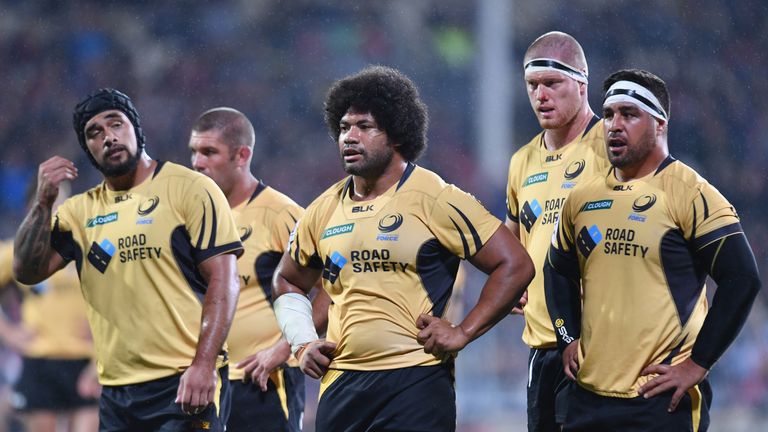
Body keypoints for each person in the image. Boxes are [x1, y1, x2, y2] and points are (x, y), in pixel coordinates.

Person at [272, 65, 535, 432]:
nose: (350, 137)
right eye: (345, 127)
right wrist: (301, 342)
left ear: (396, 134)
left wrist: (463, 332)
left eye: (364, 127)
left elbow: (515, 264)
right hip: (341, 385)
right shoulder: (323, 209)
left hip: (416, 382)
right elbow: (287, 280)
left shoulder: (436, 197)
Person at [12, 88, 244, 431]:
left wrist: (204, 365)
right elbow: (27, 271)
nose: (108, 137)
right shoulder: (79, 213)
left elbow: (224, 281)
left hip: (182, 380)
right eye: (94, 133)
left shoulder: (190, 188)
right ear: (87, 148)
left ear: (136, 128)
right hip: (118, 393)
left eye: (116, 124)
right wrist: (43, 205)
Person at [544, 69, 761, 431]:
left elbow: (742, 279)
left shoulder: (691, 193)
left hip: (659, 404)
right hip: (587, 400)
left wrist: (698, 364)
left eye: (629, 114)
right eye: (609, 113)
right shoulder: (582, 197)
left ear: (659, 124)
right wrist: (567, 335)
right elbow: (556, 269)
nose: (613, 124)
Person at [188, 107, 330, 432]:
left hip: (264, 380)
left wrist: (285, 347)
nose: (197, 163)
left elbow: (332, 288)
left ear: (242, 155)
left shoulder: (283, 215)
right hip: (205, 381)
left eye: (209, 152)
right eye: (194, 152)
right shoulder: (192, 221)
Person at [505, 31, 609, 431]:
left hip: (596, 343)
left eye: (553, 84)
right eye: (533, 86)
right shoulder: (522, 162)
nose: (541, 96)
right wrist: (511, 279)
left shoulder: (609, 146)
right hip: (541, 346)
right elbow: (514, 234)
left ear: (581, 82)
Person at [0, 181, 99, 432]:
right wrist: (10, 334)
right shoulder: (15, 253)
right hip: (41, 359)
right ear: (31, 211)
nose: (57, 210)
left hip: (85, 361)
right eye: (48, 204)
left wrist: (100, 352)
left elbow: (116, 300)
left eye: (61, 203)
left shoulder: (89, 250)